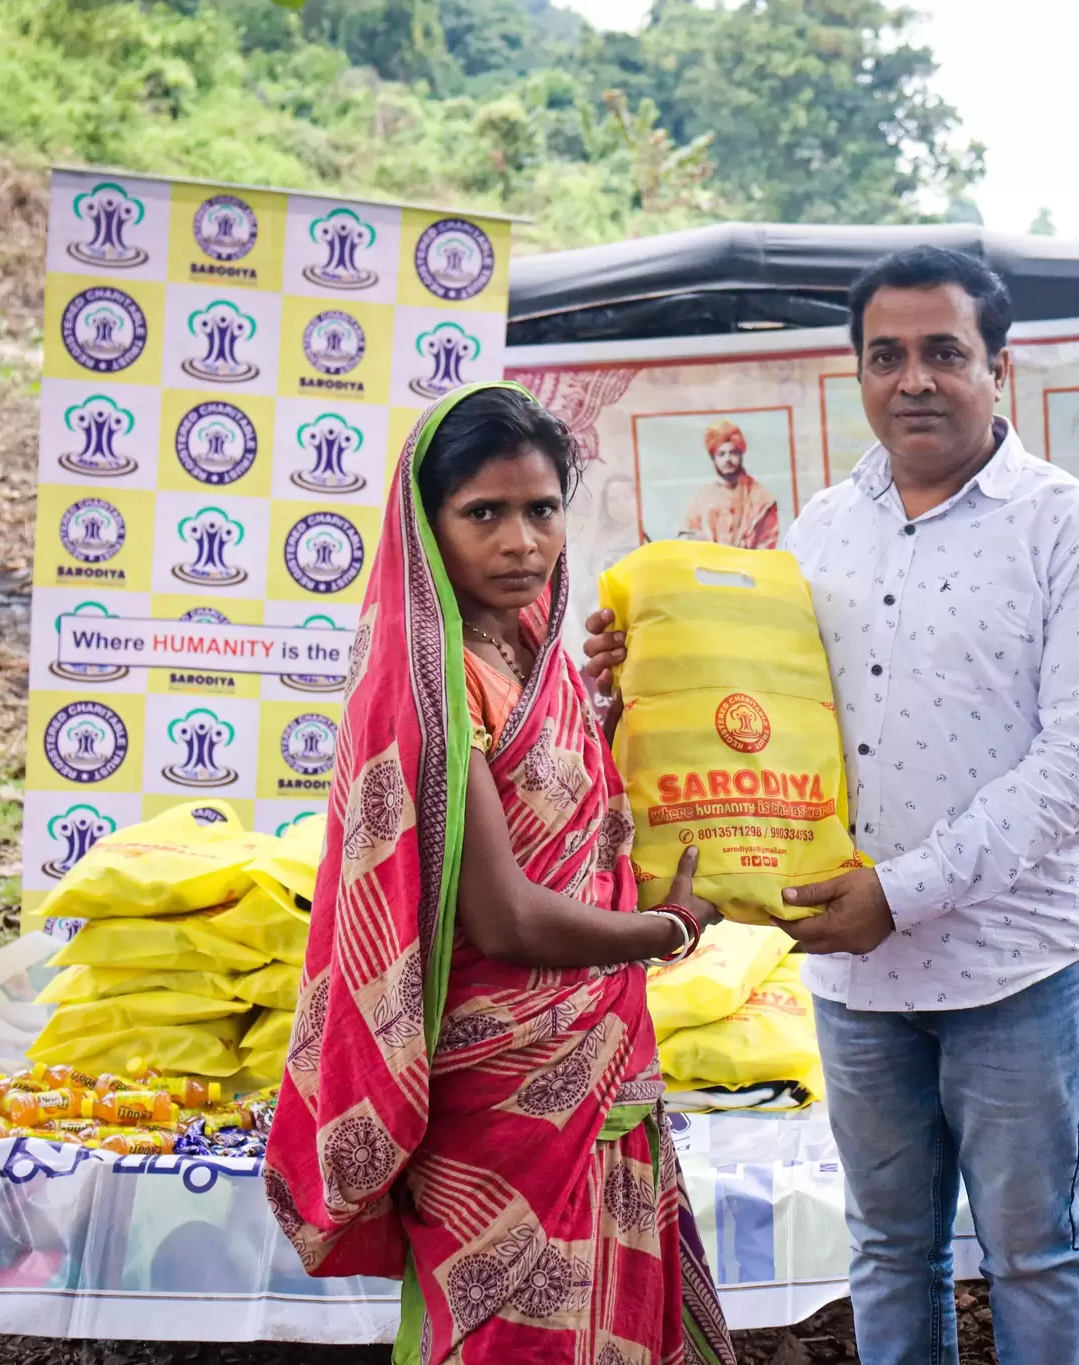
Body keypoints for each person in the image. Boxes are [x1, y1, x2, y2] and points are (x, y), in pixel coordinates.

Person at [587, 247, 1079, 1364]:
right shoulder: (819, 533)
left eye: (943, 353)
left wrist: (901, 891)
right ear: (857, 373)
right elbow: (760, 710)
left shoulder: (1072, 530)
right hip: (855, 973)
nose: (913, 380)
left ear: (998, 366)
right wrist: (639, 674)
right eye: (885, 356)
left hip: (1012, 963)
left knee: (1033, 1251)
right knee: (888, 1250)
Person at [263, 381, 736, 1365]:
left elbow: (556, 807)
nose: (522, 541)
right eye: (484, 513)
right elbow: (508, 917)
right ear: (426, 524)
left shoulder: (529, 650)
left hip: (598, 1062)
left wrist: (623, 711)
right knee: (512, 1336)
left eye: (542, 509)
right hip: (500, 1094)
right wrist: (672, 929)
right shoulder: (428, 684)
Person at [678, 418, 780, 549]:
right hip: (709, 560)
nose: (727, 459)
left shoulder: (761, 498)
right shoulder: (702, 496)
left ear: (741, 455)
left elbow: (767, 545)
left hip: (748, 561)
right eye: (721, 454)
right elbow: (686, 534)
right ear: (714, 459)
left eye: (733, 453)